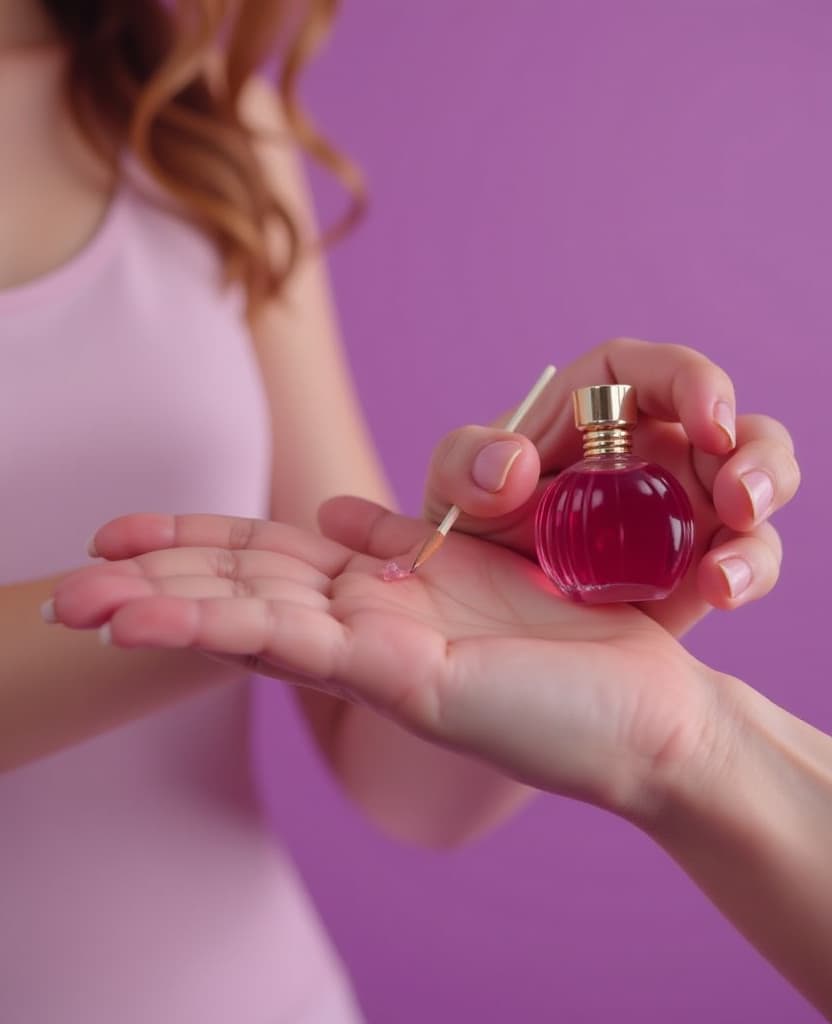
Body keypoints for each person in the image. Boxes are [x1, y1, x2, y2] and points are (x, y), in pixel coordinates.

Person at [1, 0, 804, 1021]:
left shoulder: (200, 127)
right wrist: (272, 618)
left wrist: (519, 622)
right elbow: (344, 609)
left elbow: (404, 781)